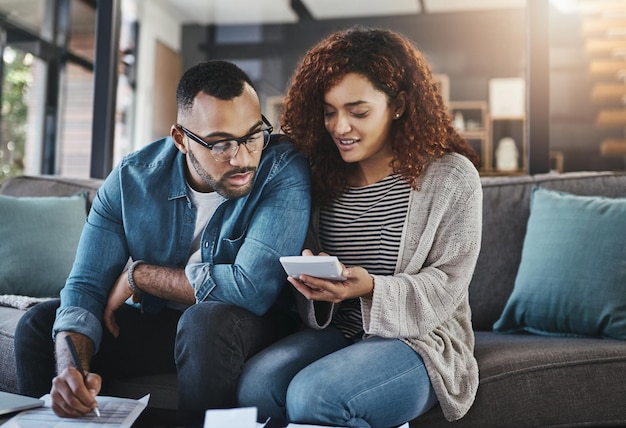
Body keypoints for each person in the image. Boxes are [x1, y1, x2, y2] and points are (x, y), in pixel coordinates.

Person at [14, 60, 311, 424]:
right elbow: (86, 285)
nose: (243, 158)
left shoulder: (282, 170)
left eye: (252, 135)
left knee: (204, 323)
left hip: (250, 325)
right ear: (181, 139)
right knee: (40, 326)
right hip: (166, 324)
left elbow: (252, 288)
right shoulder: (131, 179)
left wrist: (142, 277)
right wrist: (71, 370)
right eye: (220, 144)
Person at [237, 27, 483, 428]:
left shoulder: (451, 178)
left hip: (419, 341)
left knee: (314, 397)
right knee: (257, 386)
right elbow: (308, 292)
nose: (340, 127)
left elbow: (446, 285)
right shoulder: (319, 177)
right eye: (329, 111)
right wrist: (312, 281)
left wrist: (370, 286)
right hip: (340, 331)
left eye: (358, 111)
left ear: (399, 105)